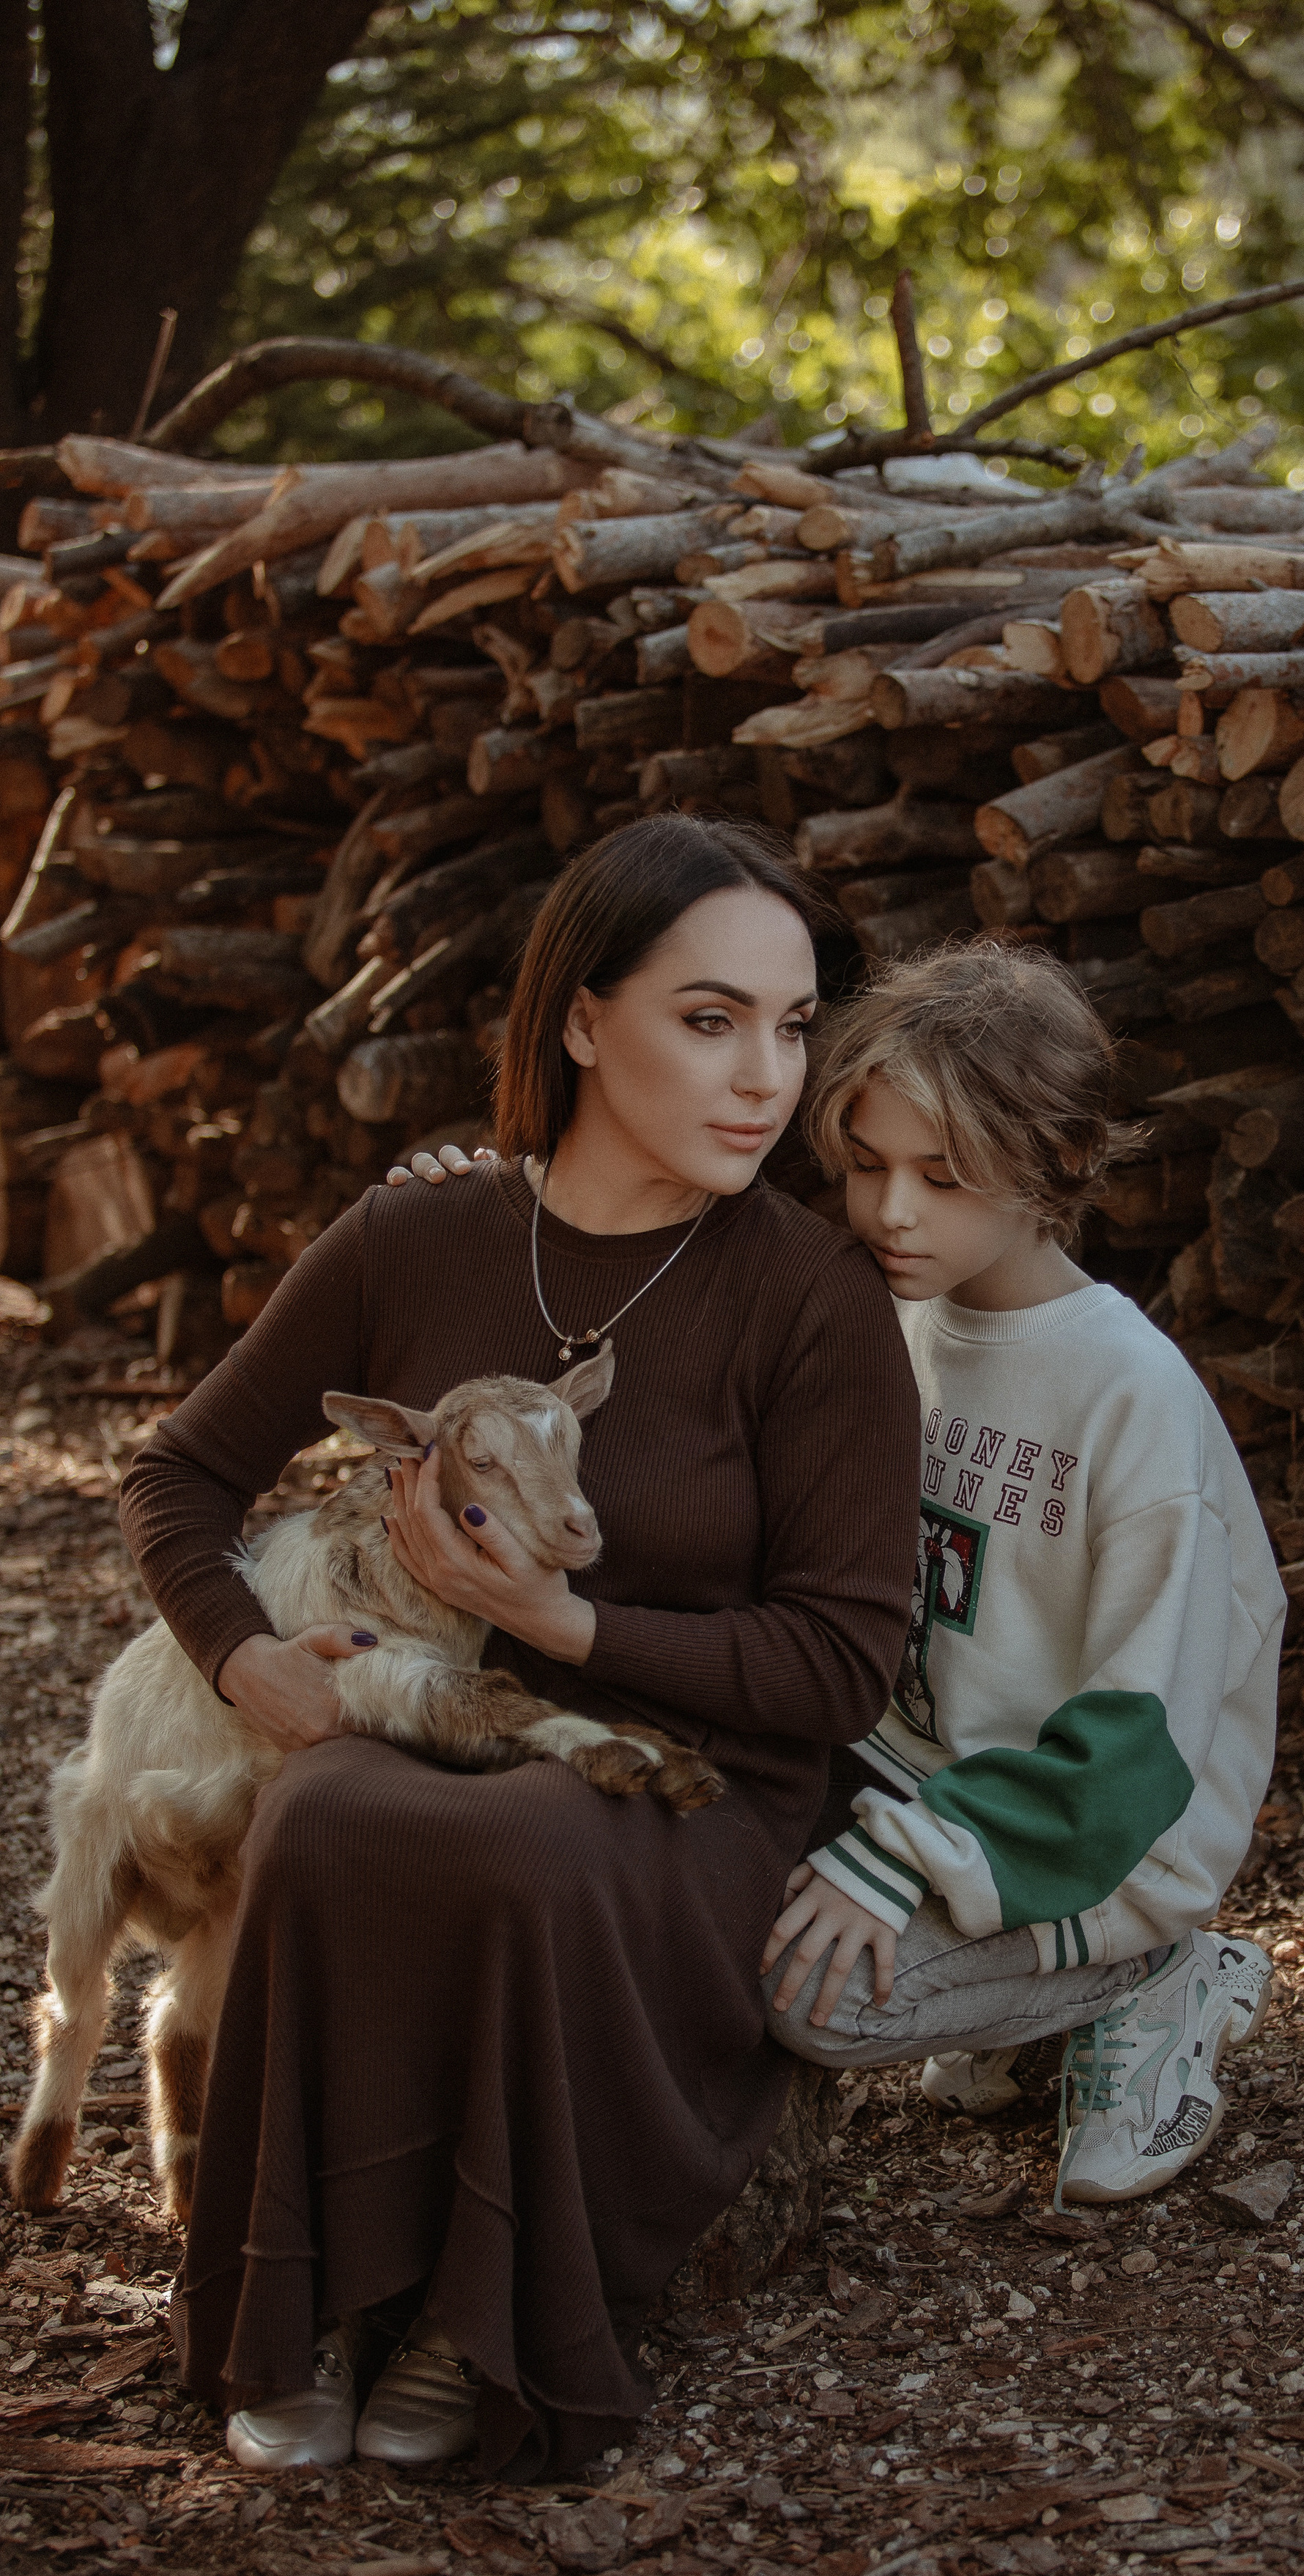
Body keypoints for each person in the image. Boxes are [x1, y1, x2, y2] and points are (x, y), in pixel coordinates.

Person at [117, 815, 919, 2479]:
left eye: (788, 1026)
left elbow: (840, 1668)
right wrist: (241, 1656)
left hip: (690, 1789)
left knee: (538, 1842)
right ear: (579, 1020)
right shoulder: (419, 1238)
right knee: (327, 1807)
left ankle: (471, 2317)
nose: (763, 1075)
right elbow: (177, 1474)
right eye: (709, 1020)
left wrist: (564, 1625)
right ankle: (314, 2296)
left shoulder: (806, 1296)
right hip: (432, 1727)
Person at [760, 940, 1286, 2205]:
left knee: (810, 2010)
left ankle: (1151, 1980)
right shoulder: (896, 1313)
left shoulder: (1129, 1400)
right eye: (871, 1166)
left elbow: (1140, 1751)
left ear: (1054, 1164)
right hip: (915, 1770)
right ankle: (1012, 2006)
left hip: (1102, 1833)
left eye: (941, 1178)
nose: (891, 1211)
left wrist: (897, 1863)